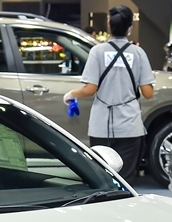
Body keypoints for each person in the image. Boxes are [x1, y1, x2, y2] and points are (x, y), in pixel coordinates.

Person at [63, 6, 155, 181]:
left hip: (101, 125)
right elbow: (148, 93)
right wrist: (149, 80)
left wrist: (71, 94)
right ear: (130, 28)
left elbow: (89, 90)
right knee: (125, 179)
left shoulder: (97, 52)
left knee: (102, 175)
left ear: (108, 24)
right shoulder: (138, 53)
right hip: (130, 126)